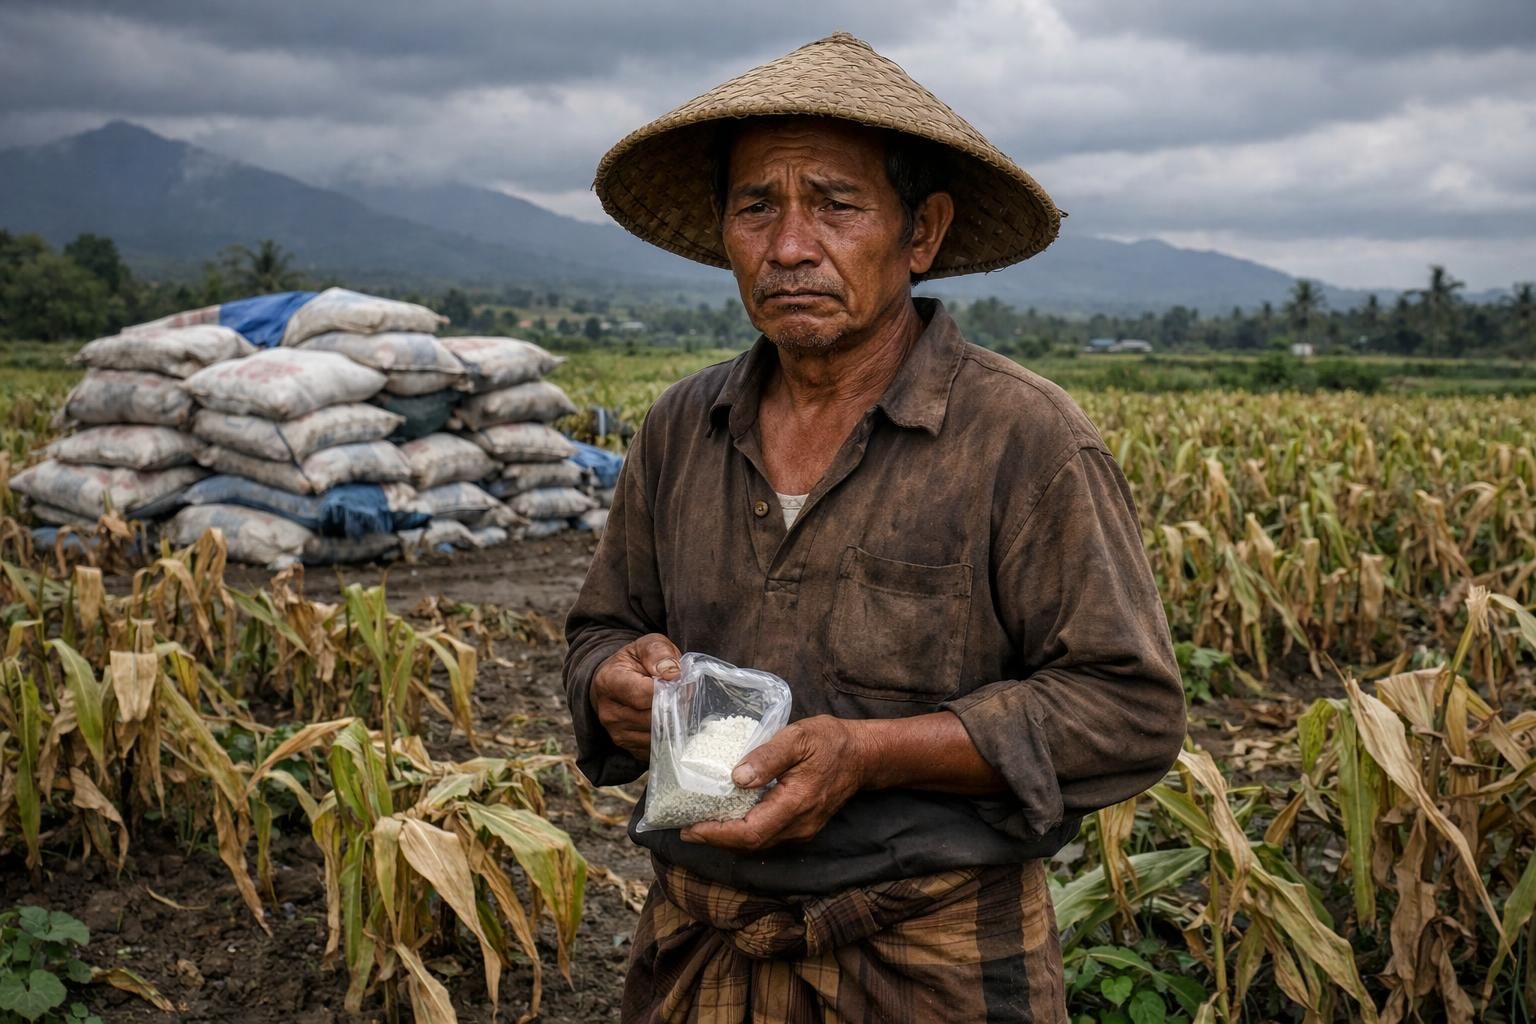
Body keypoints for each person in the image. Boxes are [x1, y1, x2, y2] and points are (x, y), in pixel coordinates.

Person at [565, 31, 1185, 1024]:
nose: (790, 246)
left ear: (923, 233)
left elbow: (1129, 710)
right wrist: (609, 683)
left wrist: (874, 752)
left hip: (930, 957)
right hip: (698, 944)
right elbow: (600, 630)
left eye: (837, 204)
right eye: (756, 205)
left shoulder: (1024, 439)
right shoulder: (684, 426)